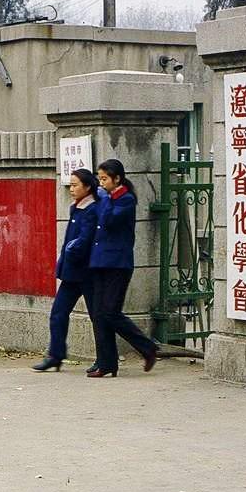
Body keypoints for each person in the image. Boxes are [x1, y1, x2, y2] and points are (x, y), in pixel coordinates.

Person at [86, 159, 158, 378]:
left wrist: (105, 200)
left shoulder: (125, 200)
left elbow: (108, 222)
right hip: (99, 262)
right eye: (99, 179)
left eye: (105, 179)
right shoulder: (106, 199)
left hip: (118, 264)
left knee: (110, 312)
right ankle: (107, 363)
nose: (101, 183)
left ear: (117, 179)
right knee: (98, 314)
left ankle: (147, 347)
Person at [32, 168, 100, 372]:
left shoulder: (92, 209)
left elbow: (84, 240)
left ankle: (103, 357)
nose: (71, 189)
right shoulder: (76, 207)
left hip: (86, 272)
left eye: (75, 185)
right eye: (70, 185)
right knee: (58, 313)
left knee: (97, 316)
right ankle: (56, 355)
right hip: (72, 272)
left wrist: (71, 251)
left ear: (87, 187)